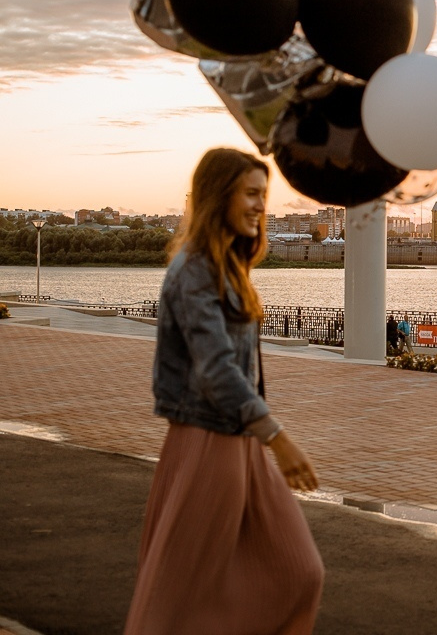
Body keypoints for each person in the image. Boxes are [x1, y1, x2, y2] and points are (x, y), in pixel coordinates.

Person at [125, 148, 324, 634]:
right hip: (206, 442)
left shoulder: (227, 267)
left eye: (264, 195)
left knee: (300, 571)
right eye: (251, 193)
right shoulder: (193, 270)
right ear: (220, 197)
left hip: (240, 440)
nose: (261, 205)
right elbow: (215, 370)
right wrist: (280, 438)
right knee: (180, 596)